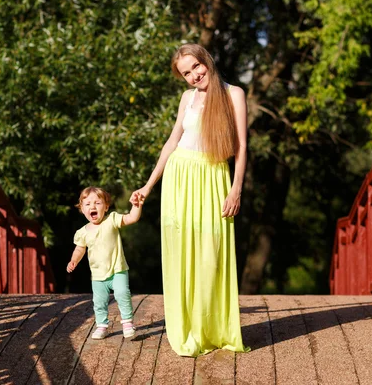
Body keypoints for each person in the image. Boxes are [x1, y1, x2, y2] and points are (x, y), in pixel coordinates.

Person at [130, 43, 248, 356]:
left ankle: (212, 328)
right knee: (182, 253)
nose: (194, 75)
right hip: (180, 176)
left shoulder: (234, 94)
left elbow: (243, 148)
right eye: (186, 73)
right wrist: (148, 185)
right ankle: (189, 331)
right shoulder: (188, 98)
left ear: (206, 60)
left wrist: (236, 189)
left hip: (212, 178)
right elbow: (172, 142)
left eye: (196, 66)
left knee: (211, 254)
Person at [67, 186, 143, 340]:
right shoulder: (82, 232)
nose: (92, 207)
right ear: (82, 209)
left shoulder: (112, 220)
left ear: (106, 207)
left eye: (97, 203)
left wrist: (137, 206)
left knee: (122, 293)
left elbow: (131, 218)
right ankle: (102, 325)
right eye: (87, 204)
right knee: (99, 302)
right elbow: (80, 249)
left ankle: (127, 323)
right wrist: (73, 260)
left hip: (117, 270)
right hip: (98, 275)